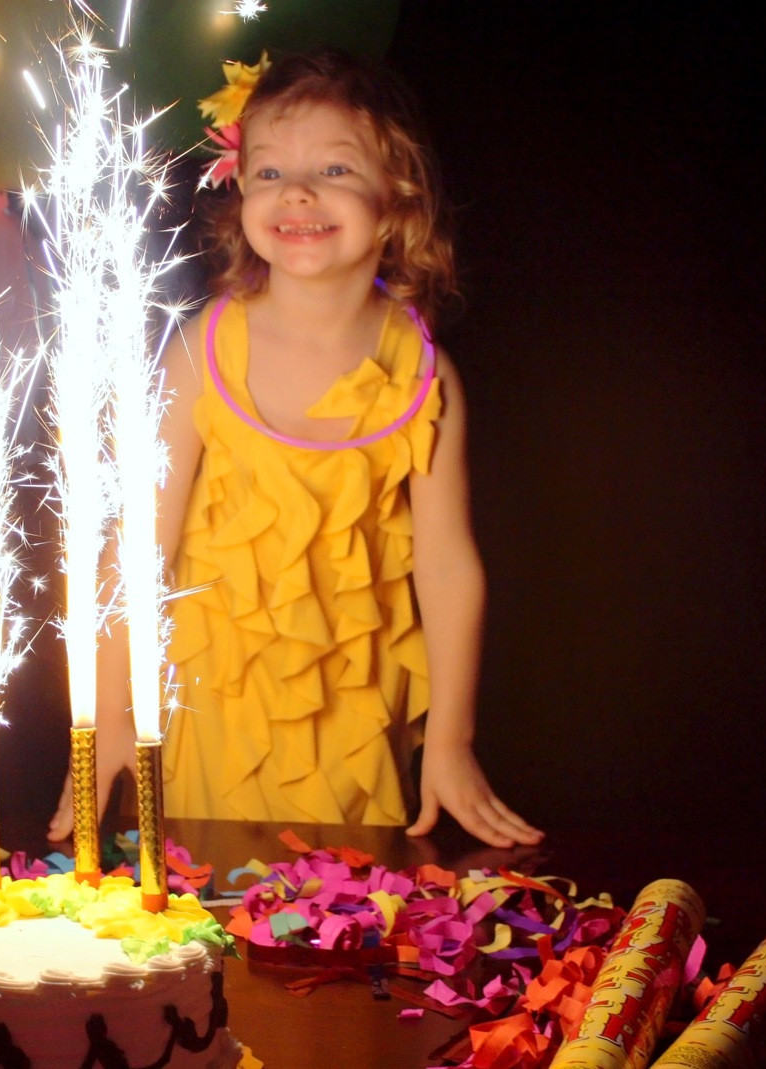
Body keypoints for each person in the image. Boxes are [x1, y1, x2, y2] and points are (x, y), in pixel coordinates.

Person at [49, 48, 542, 849]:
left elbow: (449, 565)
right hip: (212, 705)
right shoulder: (201, 350)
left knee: (341, 930)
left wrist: (448, 739)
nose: (299, 193)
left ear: (396, 201)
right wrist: (107, 718)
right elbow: (137, 546)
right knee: (219, 920)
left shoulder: (423, 374)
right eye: (271, 171)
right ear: (239, 189)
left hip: (353, 712)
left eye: (336, 169)